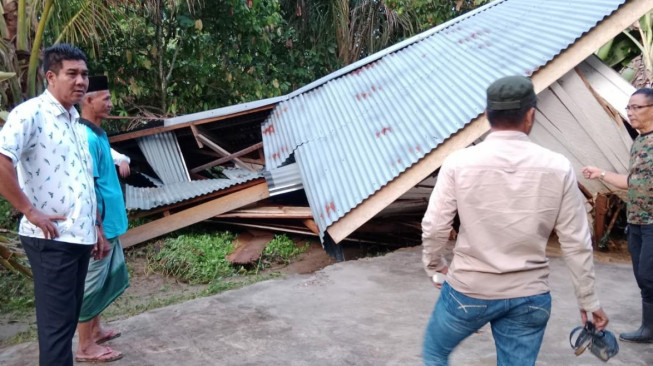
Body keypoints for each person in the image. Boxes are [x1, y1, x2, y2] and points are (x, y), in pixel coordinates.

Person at [421, 75, 609, 366]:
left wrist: (435, 265)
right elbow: (576, 242)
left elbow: (435, 226)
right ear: (530, 114)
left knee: (435, 352)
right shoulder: (557, 166)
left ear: (486, 115)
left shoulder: (458, 163)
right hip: (530, 296)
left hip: (469, 289)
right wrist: (588, 300)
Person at [0, 43, 108, 366]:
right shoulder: (30, 114)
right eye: (72, 74)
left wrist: (95, 227)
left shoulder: (75, 121)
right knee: (57, 331)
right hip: (50, 240)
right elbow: (2, 162)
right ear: (50, 76)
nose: (81, 81)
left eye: (84, 75)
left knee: (66, 323)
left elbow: (82, 180)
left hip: (78, 238)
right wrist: (30, 211)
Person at [583, 88, 653, 343]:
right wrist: (600, 173)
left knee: (648, 275)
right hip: (637, 219)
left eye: (637, 108)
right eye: (629, 108)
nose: (631, 113)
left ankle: (649, 329)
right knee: (643, 276)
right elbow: (632, 182)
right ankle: (649, 328)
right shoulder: (640, 141)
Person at [74, 75, 130, 362]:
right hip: (100, 226)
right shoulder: (85, 138)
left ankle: (95, 330)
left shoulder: (97, 134)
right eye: (105, 99)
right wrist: (96, 227)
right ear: (88, 100)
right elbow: (88, 188)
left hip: (110, 223)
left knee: (103, 279)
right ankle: (84, 346)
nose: (110, 104)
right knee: (92, 283)